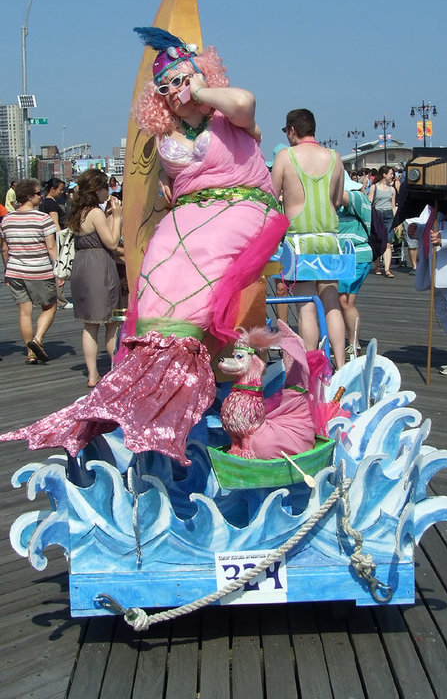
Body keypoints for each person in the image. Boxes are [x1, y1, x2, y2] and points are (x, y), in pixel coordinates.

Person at [0, 28, 288, 464]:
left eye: (180, 79)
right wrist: (168, 197)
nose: (174, 90)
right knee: (159, 255)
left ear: (199, 73)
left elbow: (247, 103)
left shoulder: (228, 116)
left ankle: (184, 361)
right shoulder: (166, 139)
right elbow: (169, 188)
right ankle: (156, 360)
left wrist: (203, 89)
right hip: (193, 212)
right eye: (165, 86)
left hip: (244, 204)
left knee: (205, 251)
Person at [271, 109, 346, 368]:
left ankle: (310, 365)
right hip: (328, 238)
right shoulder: (335, 158)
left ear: (292, 130)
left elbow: (272, 196)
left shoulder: (285, 156)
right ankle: (342, 362)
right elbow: (336, 201)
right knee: (331, 301)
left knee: (305, 305)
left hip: (299, 241)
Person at [408, 184, 447, 382]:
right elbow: (434, 226)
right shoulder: (439, 197)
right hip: (439, 269)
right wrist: (419, 230)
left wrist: (444, 239)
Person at [68, 169, 123, 388]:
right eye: (106, 188)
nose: (108, 192)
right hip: (100, 268)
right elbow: (111, 242)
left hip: (82, 266)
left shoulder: (77, 211)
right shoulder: (95, 213)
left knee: (90, 324)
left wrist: (110, 214)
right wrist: (117, 217)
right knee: (113, 322)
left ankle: (92, 375)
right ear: (97, 189)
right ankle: (117, 369)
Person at [0, 178, 58, 364]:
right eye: (38, 193)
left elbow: (4, 249)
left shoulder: (7, 220)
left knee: (25, 312)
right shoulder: (43, 218)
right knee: (50, 306)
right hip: (39, 269)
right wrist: (58, 268)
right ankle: (37, 339)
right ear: (29, 196)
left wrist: (7, 269)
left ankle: (30, 353)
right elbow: (51, 248)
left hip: (15, 270)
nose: (41, 196)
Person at [338, 171, 373, 356]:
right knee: (344, 301)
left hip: (356, 256)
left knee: (344, 301)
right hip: (343, 258)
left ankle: (353, 342)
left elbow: (339, 195)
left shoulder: (357, 197)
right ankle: (353, 341)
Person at [40, 178, 73, 310]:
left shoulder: (43, 203)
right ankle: (61, 300)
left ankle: (56, 298)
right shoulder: (52, 205)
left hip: (48, 239)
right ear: (52, 190)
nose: (61, 192)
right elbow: (55, 223)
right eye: (59, 189)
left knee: (53, 269)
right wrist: (62, 241)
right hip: (54, 240)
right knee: (59, 268)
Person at [369, 165, 397, 277]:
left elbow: (393, 206)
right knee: (378, 241)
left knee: (388, 243)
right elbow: (370, 201)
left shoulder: (392, 189)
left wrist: (396, 221)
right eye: (391, 173)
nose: (392, 176)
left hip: (389, 215)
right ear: (384, 174)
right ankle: (378, 266)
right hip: (377, 215)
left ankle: (387, 269)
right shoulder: (374, 187)